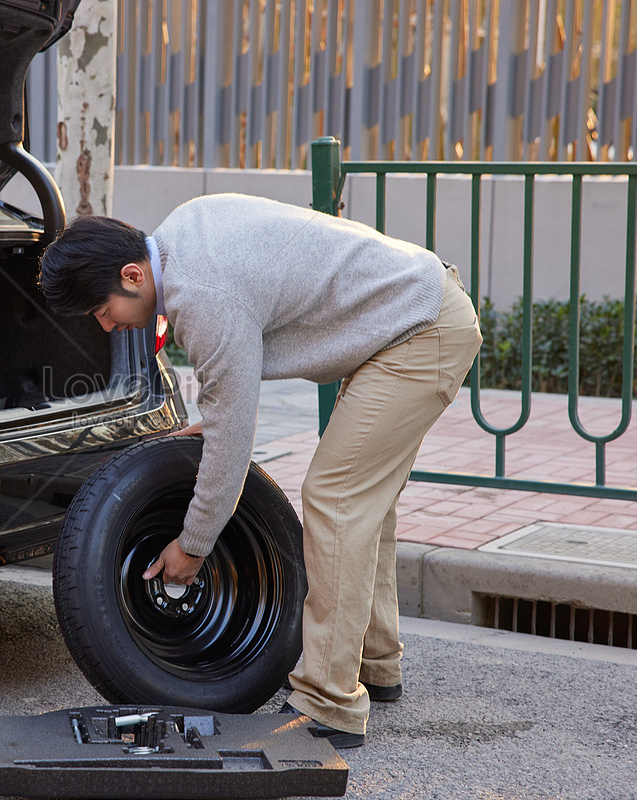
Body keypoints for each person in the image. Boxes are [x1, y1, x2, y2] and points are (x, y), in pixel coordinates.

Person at [37, 193, 482, 748]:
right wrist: (221, 420)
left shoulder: (198, 295)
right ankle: (374, 661)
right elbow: (233, 397)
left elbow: (232, 446)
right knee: (365, 500)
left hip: (419, 328)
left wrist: (194, 545)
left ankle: (330, 700)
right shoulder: (181, 233)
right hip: (407, 314)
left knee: (336, 496)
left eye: (103, 311)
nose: (107, 327)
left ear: (132, 274)